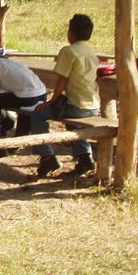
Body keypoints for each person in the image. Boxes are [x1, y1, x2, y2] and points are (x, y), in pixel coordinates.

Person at [31, 14, 100, 177]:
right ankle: (85, 156)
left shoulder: (69, 51)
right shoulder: (92, 52)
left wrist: (51, 101)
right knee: (73, 122)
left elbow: (63, 79)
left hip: (77, 106)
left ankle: (47, 156)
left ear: (72, 33)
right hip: (94, 105)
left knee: (38, 114)